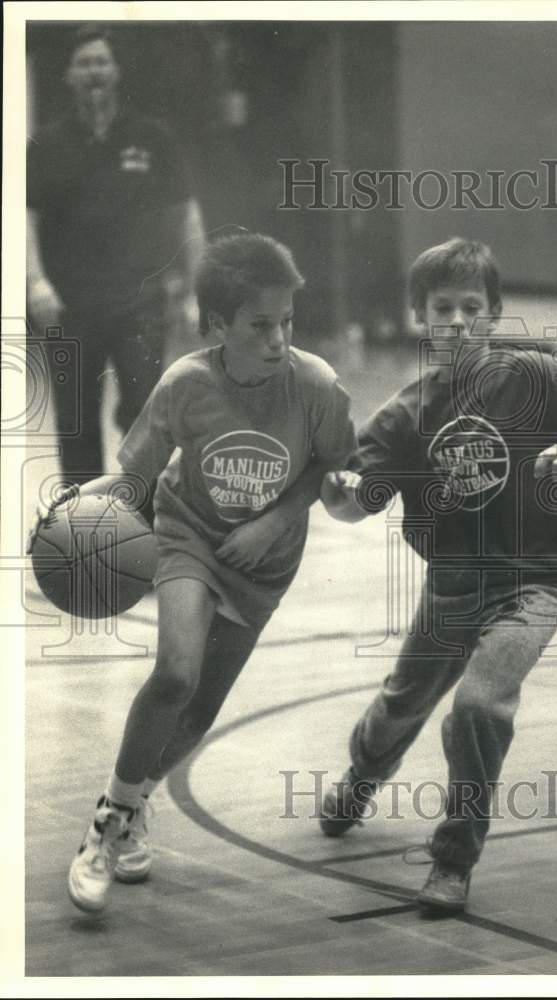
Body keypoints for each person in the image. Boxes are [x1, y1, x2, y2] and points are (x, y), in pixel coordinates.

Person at [318, 238, 557, 914]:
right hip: (453, 587)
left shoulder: (533, 376)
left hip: (534, 582)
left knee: (476, 707)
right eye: (443, 308)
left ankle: (452, 860)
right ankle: (362, 773)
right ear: (419, 315)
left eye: (473, 307)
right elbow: (353, 505)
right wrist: (333, 490)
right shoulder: (404, 415)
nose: (458, 322)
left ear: (494, 313)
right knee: (395, 712)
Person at [31, 232, 356, 913]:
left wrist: (274, 521)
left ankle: (134, 800)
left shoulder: (316, 386)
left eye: (286, 323)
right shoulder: (186, 385)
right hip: (188, 537)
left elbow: (330, 465)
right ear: (215, 326)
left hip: (263, 562)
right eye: (260, 325)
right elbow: (136, 477)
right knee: (176, 673)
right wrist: (80, 503)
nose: (277, 338)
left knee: (203, 704)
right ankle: (106, 829)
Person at [27, 22, 205, 491]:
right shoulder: (46, 143)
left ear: (117, 71)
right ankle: (81, 532)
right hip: (70, 305)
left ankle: (141, 523)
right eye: (83, 63)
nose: (93, 72)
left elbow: (186, 215)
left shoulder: (151, 137)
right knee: (75, 420)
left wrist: (196, 291)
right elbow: (25, 218)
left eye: (101, 62)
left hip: (140, 302)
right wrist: (35, 283)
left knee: (145, 417)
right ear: (68, 75)